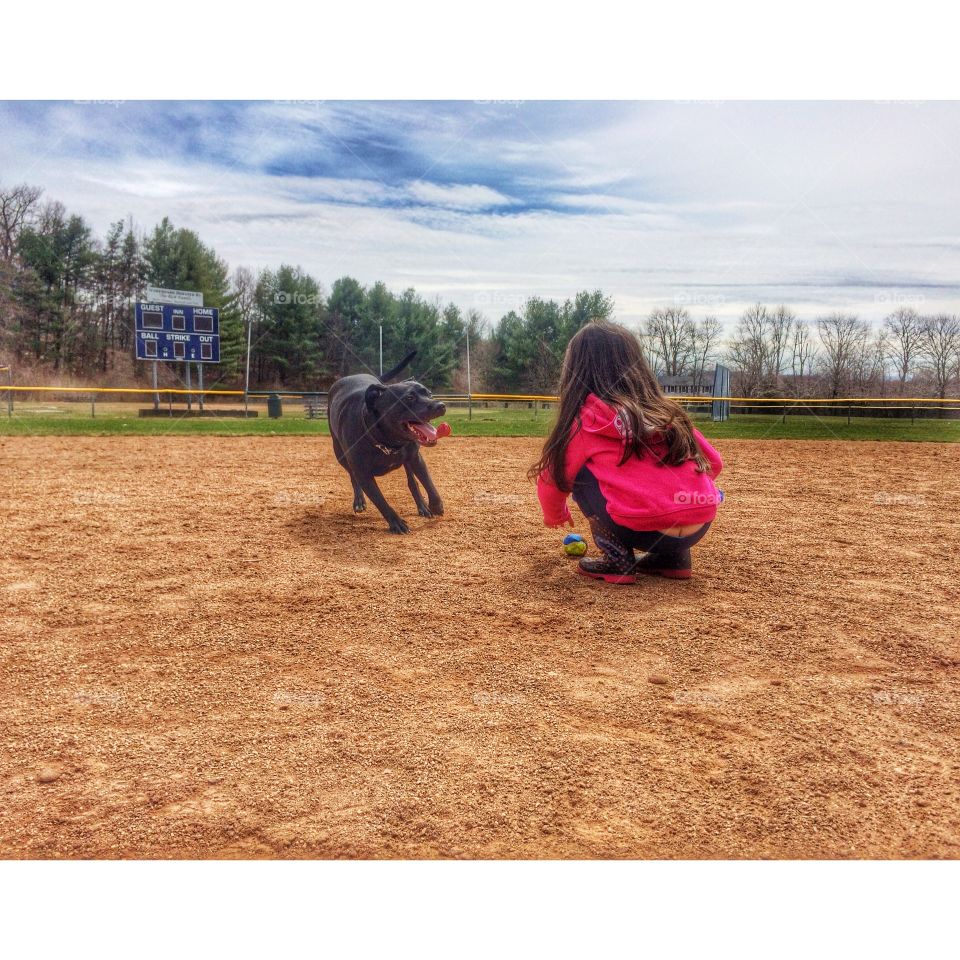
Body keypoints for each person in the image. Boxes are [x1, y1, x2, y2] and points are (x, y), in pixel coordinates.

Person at [531, 320, 724, 584]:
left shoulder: (589, 418)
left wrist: (554, 514)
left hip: (638, 529)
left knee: (582, 472)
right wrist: (678, 498)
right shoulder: (667, 412)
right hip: (698, 525)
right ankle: (674, 559)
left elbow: (554, 478)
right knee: (674, 470)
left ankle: (616, 560)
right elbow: (713, 463)